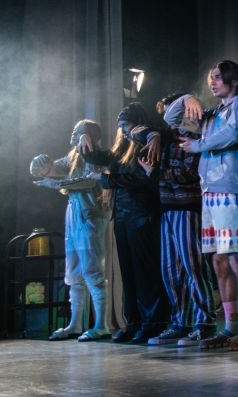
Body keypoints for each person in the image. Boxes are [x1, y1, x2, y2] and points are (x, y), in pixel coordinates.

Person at [171, 60, 238, 351]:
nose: (211, 82)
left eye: (217, 77)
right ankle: (230, 326)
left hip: (231, 189)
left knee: (237, 259)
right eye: (210, 78)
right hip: (209, 191)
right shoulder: (212, 113)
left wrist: (198, 146)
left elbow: (233, 134)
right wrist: (186, 98)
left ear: (233, 81)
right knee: (219, 261)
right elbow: (171, 119)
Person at [127, 93, 217, 347]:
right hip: (168, 209)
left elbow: (189, 174)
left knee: (193, 267)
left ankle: (204, 322)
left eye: (171, 111)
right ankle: (180, 323)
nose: (167, 117)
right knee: (171, 270)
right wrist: (153, 167)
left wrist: (157, 171)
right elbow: (133, 130)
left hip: (188, 209)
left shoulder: (195, 137)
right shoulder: (166, 138)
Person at [80, 103, 170, 344]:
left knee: (145, 273)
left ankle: (153, 323)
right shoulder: (120, 149)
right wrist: (85, 141)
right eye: (121, 126)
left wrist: (107, 180)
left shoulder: (146, 145)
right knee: (129, 274)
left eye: (127, 125)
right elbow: (100, 157)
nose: (124, 130)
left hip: (142, 216)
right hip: (122, 216)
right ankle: (134, 322)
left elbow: (140, 178)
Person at [30, 120, 111, 342]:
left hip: (90, 216)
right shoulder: (74, 155)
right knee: (74, 272)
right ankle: (75, 324)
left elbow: (86, 182)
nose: (73, 135)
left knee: (92, 271)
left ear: (88, 135)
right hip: (74, 214)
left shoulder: (94, 155)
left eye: (78, 132)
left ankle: (101, 325)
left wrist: (55, 183)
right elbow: (57, 168)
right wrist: (43, 166)